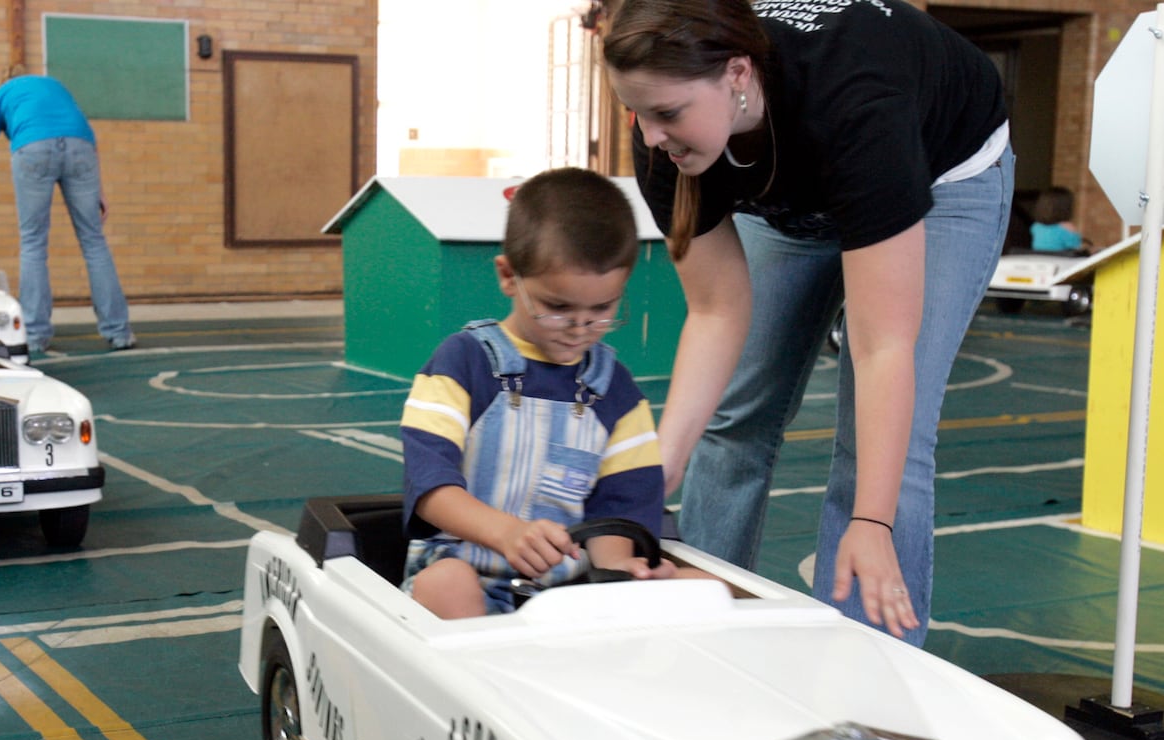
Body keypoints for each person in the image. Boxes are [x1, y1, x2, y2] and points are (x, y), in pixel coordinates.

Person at [602, 0, 1015, 645]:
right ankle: (704, 625)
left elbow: (884, 347)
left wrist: (873, 524)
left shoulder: (859, 107)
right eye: (638, 113)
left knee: (880, 452)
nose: (650, 137)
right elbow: (716, 310)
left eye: (667, 114)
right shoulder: (667, 140)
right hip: (792, 188)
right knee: (737, 412)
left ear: (737, 74)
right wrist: (664, 464)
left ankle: (866, 674)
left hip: (938, 175)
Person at [401, 168, 696, 619]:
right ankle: (482, 680)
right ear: (507, 276)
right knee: (447, 583)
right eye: (558, 307)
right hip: (459, 569)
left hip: (566, 592)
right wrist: (504, 532)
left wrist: (623, 571)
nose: (580, 328)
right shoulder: (462, 363)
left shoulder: (618, 393)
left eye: (602, 309)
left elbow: (623, 507)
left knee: (702, 585)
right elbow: (430, 486)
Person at [0, 67, 135, 353]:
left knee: (33, 243)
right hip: (81, 148)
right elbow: (87, 136)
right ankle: (119, 332)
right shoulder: (54, 86)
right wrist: (100, 191)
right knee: (94, 242)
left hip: (33, 147)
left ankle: (34, 335)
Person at [1030, 186, 1087, 253]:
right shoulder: (1068, 227)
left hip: (1039, 259)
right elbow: (1076, 249)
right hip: (1061, 260)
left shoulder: (1036, 227)